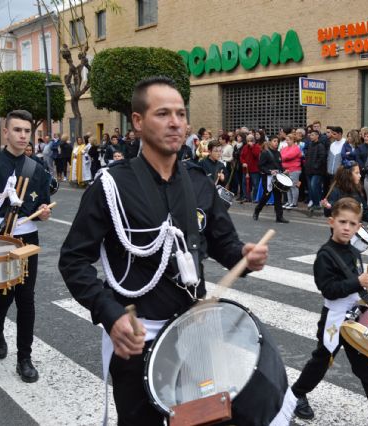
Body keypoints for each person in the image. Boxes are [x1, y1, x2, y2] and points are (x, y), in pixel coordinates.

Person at [59, 77, 269, 425]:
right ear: (138, 121)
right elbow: (73, 259)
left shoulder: (200, 182)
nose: (175, 122)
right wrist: (110, 314)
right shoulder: (111, 186)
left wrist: (245, 258)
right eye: (163, 113)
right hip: (139, 336)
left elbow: (222, 244)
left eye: (181, 114)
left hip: (195, 331)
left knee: (202, 419)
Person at [280, 197, 368, 426]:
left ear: (359, 227)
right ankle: (296, 395)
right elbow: (328, 290)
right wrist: (358, 282)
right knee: (321, 361)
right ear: (331, 222)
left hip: (355, 317)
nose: (346, 227)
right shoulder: (325, 255)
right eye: (342, 222)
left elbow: (356, 287)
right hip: (334, 319)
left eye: (352, 223)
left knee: (365, 368)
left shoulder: (354, 253)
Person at [0, 110, 52, 383]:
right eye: (17, 130)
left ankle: (24, 358)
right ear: (5, 132)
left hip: (28, 237)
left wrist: (44, 211)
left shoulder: (36, 167)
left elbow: (43, 203)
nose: (23, 135)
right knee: (4, 295)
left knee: (26, 297)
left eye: (27, 131)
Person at [321, 163, 368, 229]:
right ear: (348, 175)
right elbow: (328, 212)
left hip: (355, 231)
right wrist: (328, 206)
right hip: (341, 232)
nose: (360, 175)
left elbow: (363, 211)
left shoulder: (357, 190)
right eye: (357, 173)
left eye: (359, 173)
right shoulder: (336, 191)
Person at [254, 137, 289, 223]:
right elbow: (260, 166)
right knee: (266, 196)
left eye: (277, 141)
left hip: (277, 177)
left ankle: (279, 217)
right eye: (274, 141)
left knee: (278, 196)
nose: (276, 143)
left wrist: (284, 170)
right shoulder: (265, 153)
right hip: (268, 177)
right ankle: (257, 210)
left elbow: (279, 166)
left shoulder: (278, 153)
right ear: (270, 142)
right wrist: (269, 171)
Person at [304, 130, 326, 214]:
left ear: (317, 136)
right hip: (309, 170)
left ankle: (317, 203)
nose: (311, 136)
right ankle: (314, 203)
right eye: (310, 135)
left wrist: (316, 166)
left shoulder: (320, 146)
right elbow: (307, 157)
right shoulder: (310, 145)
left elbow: (322, 157)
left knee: (314, 186)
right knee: (311, 188)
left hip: (317, 171)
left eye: (313, 135)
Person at [280, 133, 302, 209]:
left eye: (288, 140)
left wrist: (283, 157)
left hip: (294, 169)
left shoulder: (296, 148)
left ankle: (294, 203)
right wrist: (283, 157)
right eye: (286, 140)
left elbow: (288, 156)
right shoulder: (285, 148)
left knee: (293, 186)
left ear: (293, 140)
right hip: (286, 170)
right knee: (287, 186)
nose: (287, 141)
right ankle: (289, 202)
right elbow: (281, 157)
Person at [240, 133, 261, 202]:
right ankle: (247, 197)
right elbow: (241, 156)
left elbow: (256, 155)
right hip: (246, 169)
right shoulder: (245, 147)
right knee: (245, 184)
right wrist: (243, 163)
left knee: (255, 184)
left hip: (254, 169)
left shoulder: (257, 147)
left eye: (250, 140)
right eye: (248, 140)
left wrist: (252, 147)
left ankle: (255, 198)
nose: (249, 142)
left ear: (253, 140)